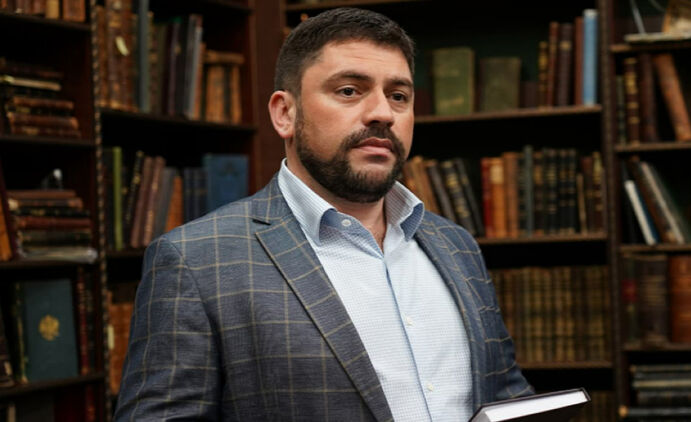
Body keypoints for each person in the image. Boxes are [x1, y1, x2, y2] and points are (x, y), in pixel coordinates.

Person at [114, 7, 531, 421]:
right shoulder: (196, 260)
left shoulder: (456, 245)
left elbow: (506, 396)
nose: (383, 113)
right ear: (285, 113)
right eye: (349, 90)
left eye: (398, 96)